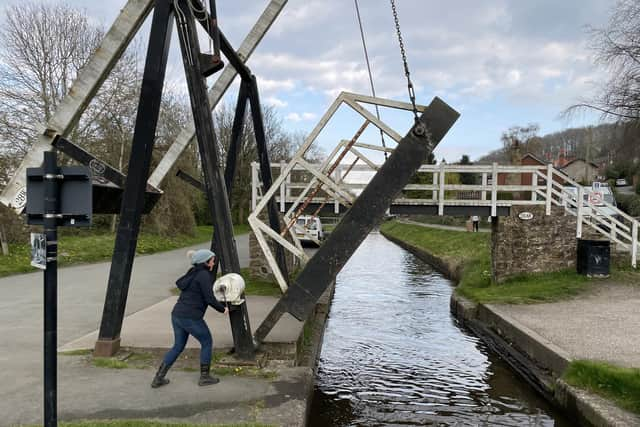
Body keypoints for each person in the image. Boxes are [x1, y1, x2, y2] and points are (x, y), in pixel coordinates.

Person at [151, 249, 228, 388]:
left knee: (178, 346)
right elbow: (209, 298)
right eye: (212, 259)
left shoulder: (192, 272)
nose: (214, 262)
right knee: (207, 341)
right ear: (205, 262)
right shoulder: (204, 275)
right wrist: (223, 309)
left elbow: (201, 294)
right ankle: (204, 377)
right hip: (190, 317)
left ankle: (158, 378)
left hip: (177, 315)